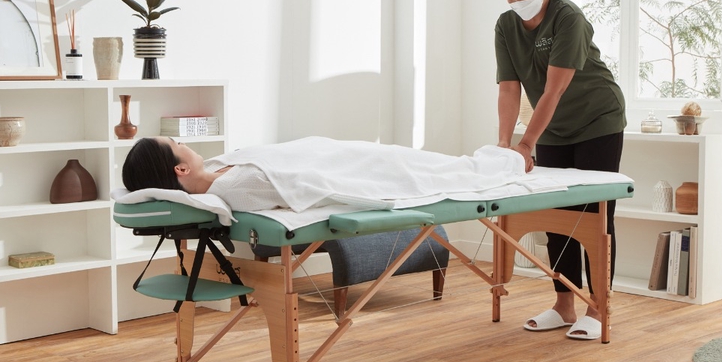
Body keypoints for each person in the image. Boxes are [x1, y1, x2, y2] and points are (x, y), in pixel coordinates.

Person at [495, 0, 626, 340]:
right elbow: (509, 89)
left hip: (597, 121)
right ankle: (564, 304)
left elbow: (554, 90)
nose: (519, 3)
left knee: (596, 217)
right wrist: (504, 144)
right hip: (552, 128)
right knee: (557, 219)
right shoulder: (506, 26)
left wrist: (526, 144)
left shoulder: (568, 18)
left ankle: (598, 308)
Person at [121, 136, 535, 215]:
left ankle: (501, 158)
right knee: (434, 171)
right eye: (177, 142)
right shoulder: (234, 188)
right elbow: (308, 179)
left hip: (346, 152)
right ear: (180, 169)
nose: (184, 141)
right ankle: (508, 163)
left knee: (427, 160)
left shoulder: (218, 169)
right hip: (358, 169)